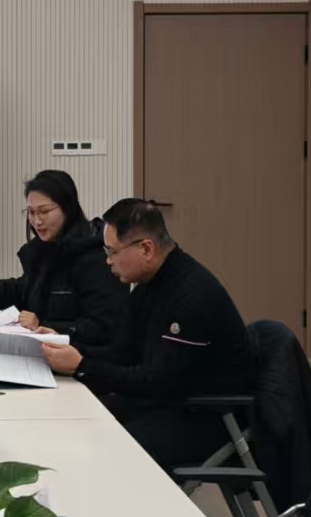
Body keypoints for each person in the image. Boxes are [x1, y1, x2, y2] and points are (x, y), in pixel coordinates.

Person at [40, 198, 255, 470]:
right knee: (76, 420)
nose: (108, 261)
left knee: (102, 446)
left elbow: (157, 381)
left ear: (146, 249)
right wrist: (64, 346)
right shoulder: (149, 285)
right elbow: (121, 353)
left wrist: (82, 366)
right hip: (168, 401)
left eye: (112, 252)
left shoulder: (191, 296)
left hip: (207, 416)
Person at [0, 169, 127, 348]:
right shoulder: (45, 249)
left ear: (67, 208)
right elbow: (24, 290)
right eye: (31, 212)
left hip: (77, 357)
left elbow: (103, 326)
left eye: (44, 211)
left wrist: (45, 326)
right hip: (45, 351)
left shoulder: (96, 257)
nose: (36, 221)